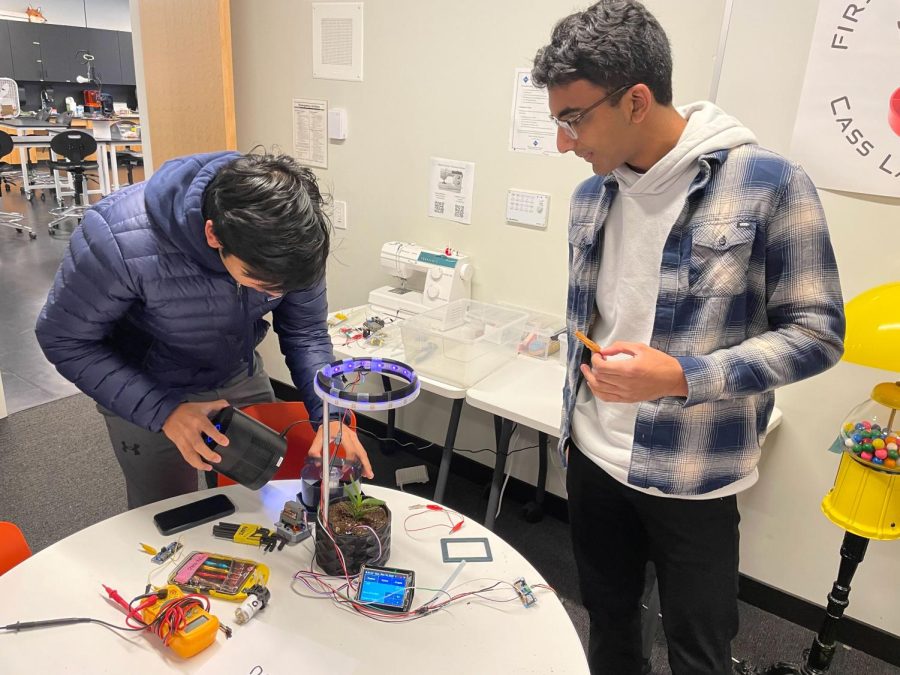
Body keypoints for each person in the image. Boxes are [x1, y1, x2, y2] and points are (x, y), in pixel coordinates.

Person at [531, 2, 845, 674]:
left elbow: (819, 333)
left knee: (699, 652)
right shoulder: (592, 196)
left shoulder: (769, 185)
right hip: (590, 454)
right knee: (610, 630)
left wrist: (681, 376)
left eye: (573, 118)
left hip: (692, 477)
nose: (563, 141)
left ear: (637, 100)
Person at [35, 151, 372, 509]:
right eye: (261, 282)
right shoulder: (116, 239)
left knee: (264, 500)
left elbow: (306, 333)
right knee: (165, 512)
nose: (276, 295)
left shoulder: (294, 244)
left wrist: (331, 414)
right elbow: (64, 338)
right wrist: (164, 411)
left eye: (284, 288)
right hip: (144, 383)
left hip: (234, 371)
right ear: (214, 235)